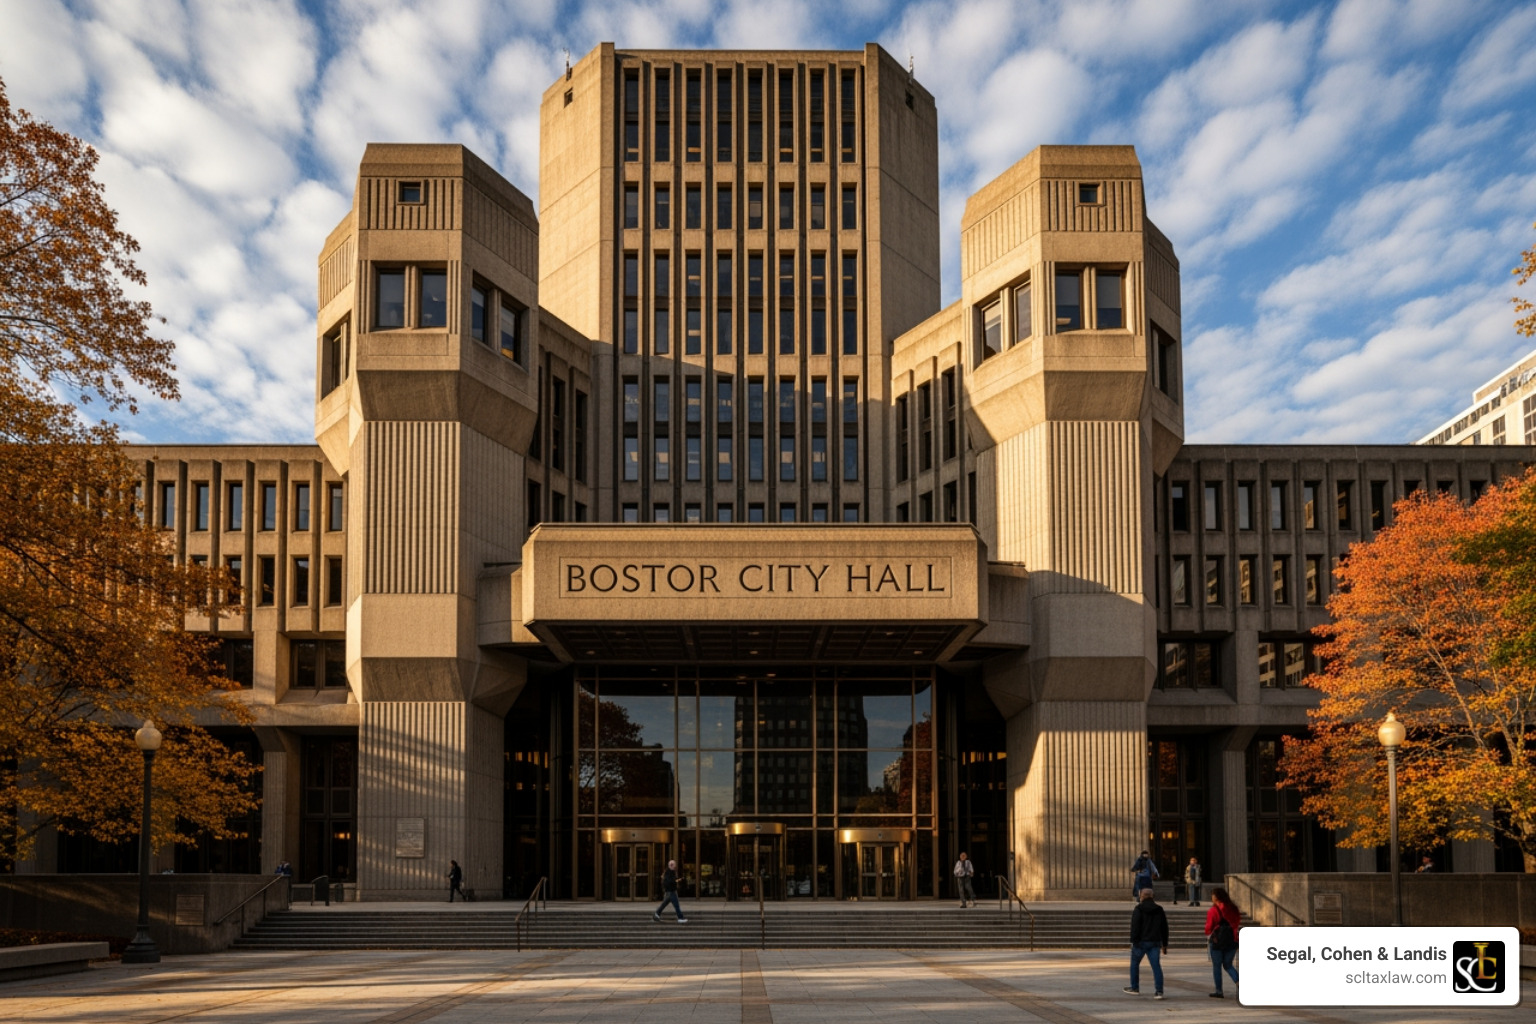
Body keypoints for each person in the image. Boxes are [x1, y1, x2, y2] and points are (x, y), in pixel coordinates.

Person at [1123, 888, 1168, 999]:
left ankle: (1135, 987)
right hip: (1154, 942)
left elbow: (1135, 926)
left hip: (1140, 942)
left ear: (1141, 896)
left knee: (1134, 964)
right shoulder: (1159, 909)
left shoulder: (1139, 909)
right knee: (1156, 966)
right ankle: (1159, 991)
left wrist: (1133, 940)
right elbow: (1164, 927)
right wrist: (1164, 944)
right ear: (1152, 896)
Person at [1205, 886, 1241, 998]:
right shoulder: (1233, 908)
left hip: (1217, 941)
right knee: (1228, 964)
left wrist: (1209, 933)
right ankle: (1239, 982)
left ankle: (1219, 990)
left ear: (1216, 897)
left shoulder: (1214, 910)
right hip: (1232, 939)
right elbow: (1237, 922)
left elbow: (1209, 926)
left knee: (1217, 966)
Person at [654, 859, 688, 924]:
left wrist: (676, 880)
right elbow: (671, 881)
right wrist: (677, 881)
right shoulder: (669, 873)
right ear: (672, 865)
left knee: (664, 904)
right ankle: (680, 917)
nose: (674, 866)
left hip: (669, 891)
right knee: (676, 905)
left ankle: (657, 914)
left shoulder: (667, 872)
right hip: (671, 891)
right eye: (673, 865)